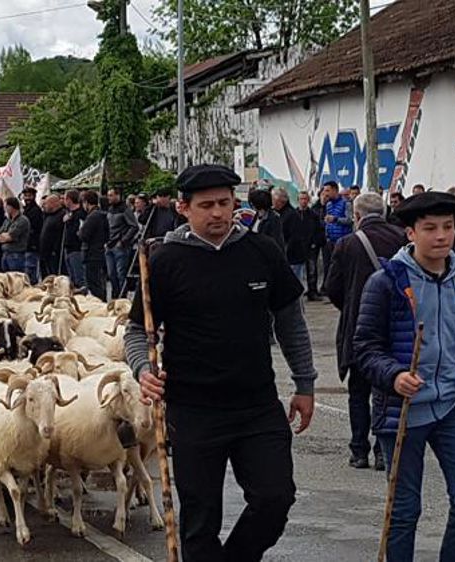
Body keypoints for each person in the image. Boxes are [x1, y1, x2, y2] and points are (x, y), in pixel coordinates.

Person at [126, 164, 316, 562]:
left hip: (257, 405)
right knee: (200, 519)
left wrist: (305, 383)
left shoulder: (261, 251)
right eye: (206, 205)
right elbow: (137, 331)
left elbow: (291, 322)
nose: (217, 213)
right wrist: (143, 369)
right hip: (193, 409)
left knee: (275, 498)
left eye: (225, 203)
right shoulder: (164, 261)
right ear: (183, 208)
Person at [353, 192, 455, 561]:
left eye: (448, 227)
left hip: (453, 405)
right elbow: (364, 347)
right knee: (403, 511)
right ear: (411, 233)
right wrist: (395, 375)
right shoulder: (386, 282)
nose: (441, 236)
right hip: (404, 409)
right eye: (430, 228)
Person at [325, 193, 405, 471]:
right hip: (395, 327)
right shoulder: (402, 238)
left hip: (358, 327)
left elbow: (332, 287)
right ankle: (384, 450)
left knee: (358, 392)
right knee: (386, 389)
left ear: (357, 216)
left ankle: (359, 450)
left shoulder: (347, 244)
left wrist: (350, 307)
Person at [284, 191, 320, 299]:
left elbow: (318, 230)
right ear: (298, 200)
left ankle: (312, 291)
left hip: (310, 245)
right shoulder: (293, 214)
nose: (303, 201)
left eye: (305, 199)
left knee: (312, 269)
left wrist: (315, 242)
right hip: (298, 246)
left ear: (308, 200)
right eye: (301, 199)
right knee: (296, 270)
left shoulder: (313, 215)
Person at [105, 188, 139, 298]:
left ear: (118, 195)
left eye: (111, 195)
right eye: (108, 195)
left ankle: (122, 297)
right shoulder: (110, 209)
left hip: (120, 246)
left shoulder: (125, 209)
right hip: (109, 244)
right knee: (111, 274)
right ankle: (115, 296)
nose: (109, 198)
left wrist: (123, 240)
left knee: (121, 274)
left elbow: (134, 226)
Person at [321, 181, 353, 293]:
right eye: (324, 190)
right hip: (330, 240)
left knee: (342, 266)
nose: (325, 193)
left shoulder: (346, 203)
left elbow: (350, 220)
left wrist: (335, 219)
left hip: (342, 240)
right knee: (329, 266)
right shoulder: (328, 205)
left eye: (327, 190)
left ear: (335, 190)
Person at [79, 190, 108, 301]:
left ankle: (99, 303)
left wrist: (80, 231)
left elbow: (83, 235)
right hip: (99, 251)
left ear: (86, 202)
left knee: (93, 283)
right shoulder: (102, 215)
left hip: (91, 253)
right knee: (99, 281)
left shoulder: (92, 217)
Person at [0, 196, 31, 274]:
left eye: (6, 206)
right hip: (5, 253)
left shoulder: (22, 220)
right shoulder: (7, 220)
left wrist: (4, 235)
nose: (4, 208)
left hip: (16, 255)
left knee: (15, 278)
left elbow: (10, 237)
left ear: (11, 207)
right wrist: (3, 235)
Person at [62, 189, 86, 288]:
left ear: (69, 200)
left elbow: (80, 231)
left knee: (79, 277)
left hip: (76, 248)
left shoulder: (80, 214)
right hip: (68, 248)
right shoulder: (69, 214)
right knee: (72, 277)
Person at [39, 194, 66, 277]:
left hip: (54, 253)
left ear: (53, 203)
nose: (44, 206)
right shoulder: (48, 216)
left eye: (46, 203)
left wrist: (55, 249)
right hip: (45, 252)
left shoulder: (61, 215)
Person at [21, 187, 43, 284]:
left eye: (29, 196)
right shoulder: (25, 210)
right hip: (25, 245)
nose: (27, 198)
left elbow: (33, 227)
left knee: (30, 270)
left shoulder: (36, 210)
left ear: (34, 196)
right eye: (25, 196)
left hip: (32, 245)